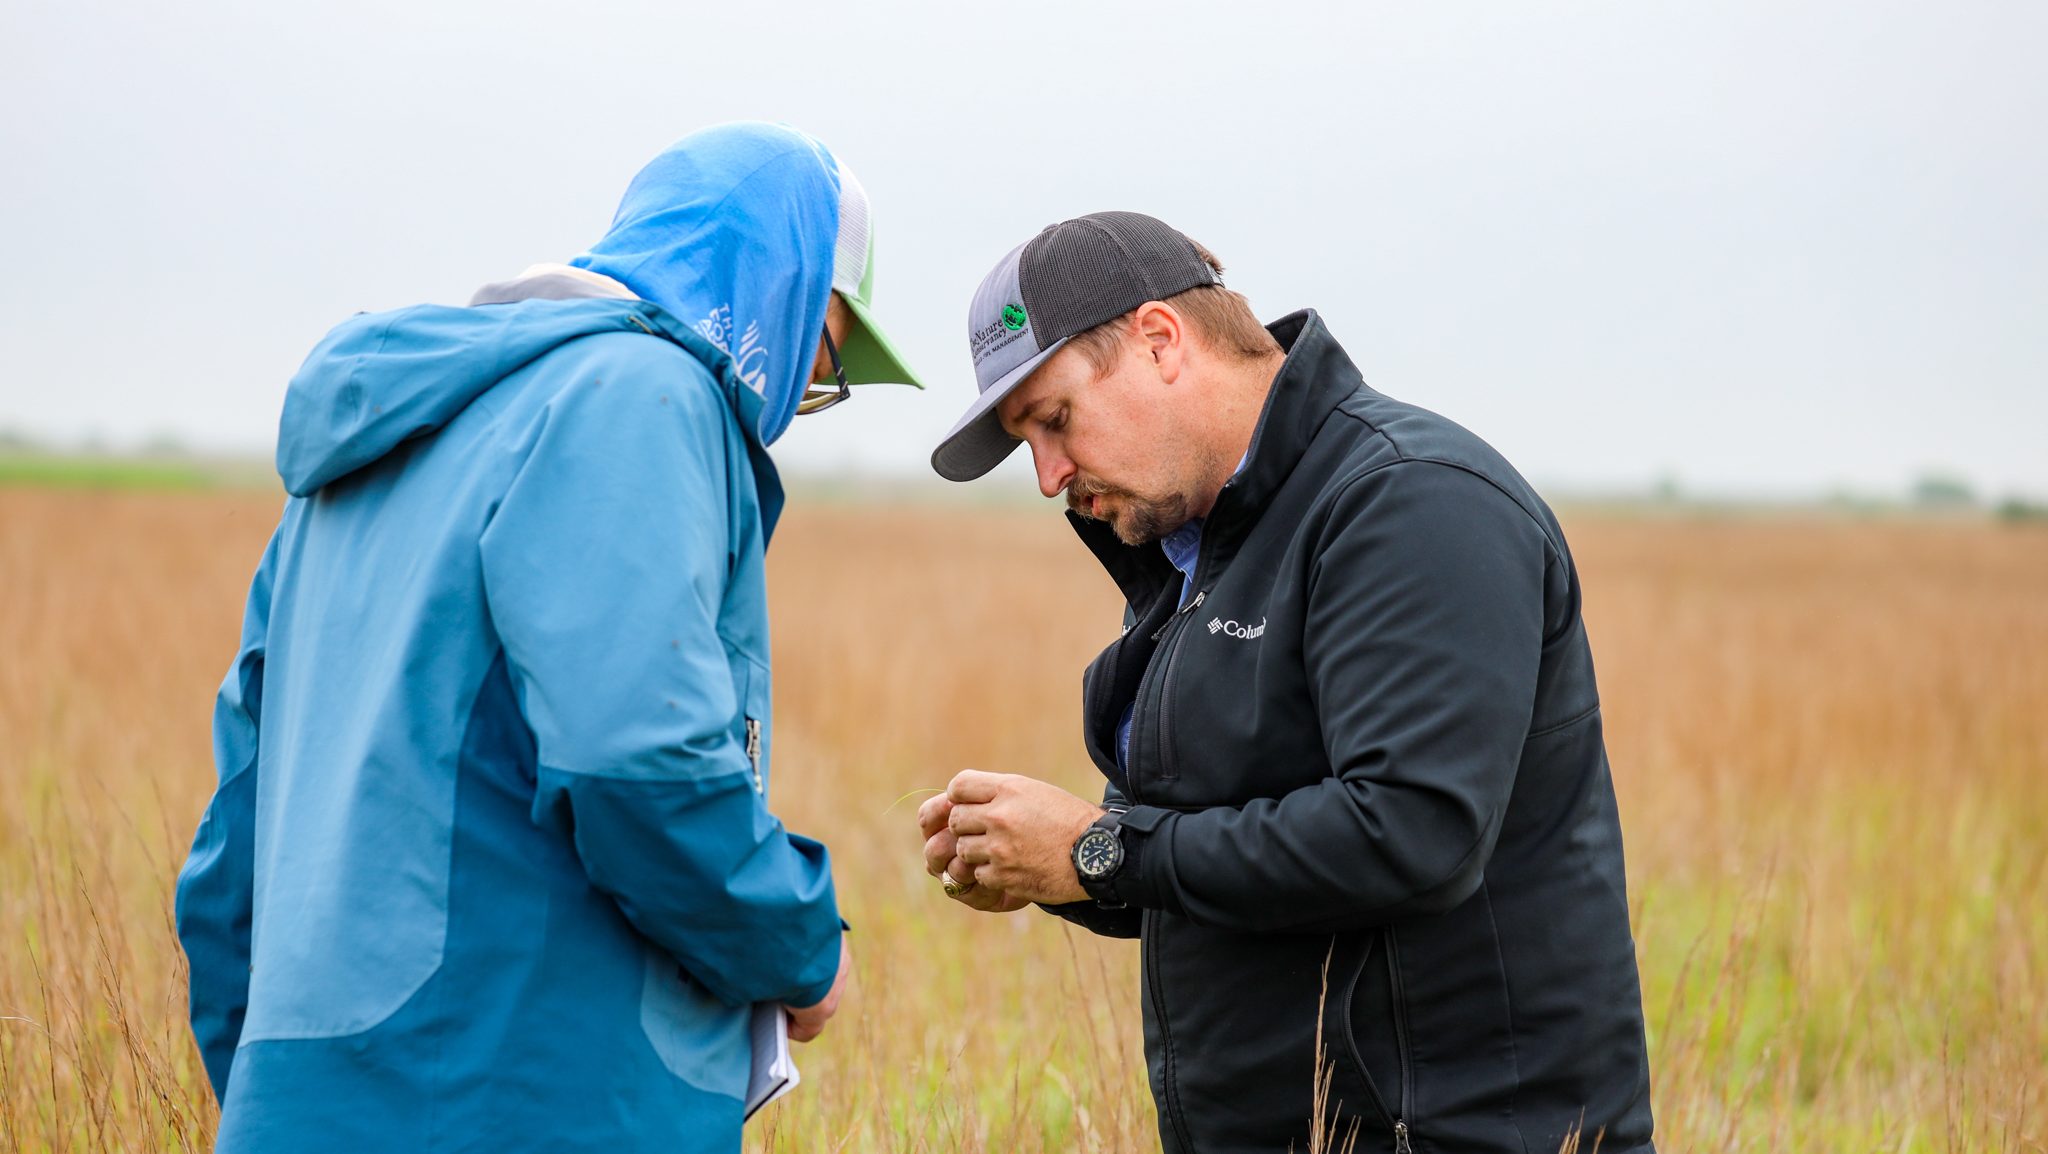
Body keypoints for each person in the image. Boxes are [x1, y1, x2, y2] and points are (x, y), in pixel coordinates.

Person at [175, 122, 923, 1153]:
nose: (801, 390)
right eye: (825, 344)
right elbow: (636, 759)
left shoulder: (362, 454)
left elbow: (230, 849)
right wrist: (797, 946)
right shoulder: (640, 396)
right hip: (534, 1099)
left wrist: (278, 1098)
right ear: (777, 290)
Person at [918, 212, 1655, 1153]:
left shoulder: (1413, 502)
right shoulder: (1197, 556)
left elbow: (1411, 833)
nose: (1049, 474)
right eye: (1028, 441)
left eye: (1055, 420)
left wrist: (1099, 851)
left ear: (1159, 340)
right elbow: (1206, 864)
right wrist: (1054, 867)